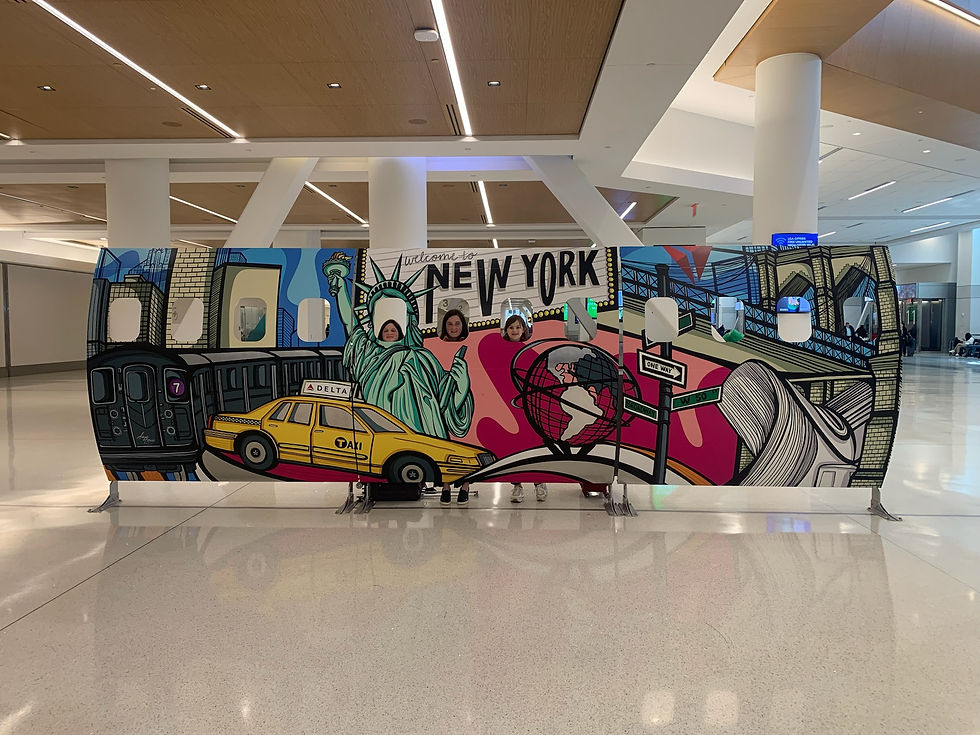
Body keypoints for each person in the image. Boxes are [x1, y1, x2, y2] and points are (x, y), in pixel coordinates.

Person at [502, 313, 546, 502]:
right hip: (509, 402)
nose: (514, 330)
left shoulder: (529, 349)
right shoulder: (501, 348)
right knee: (514, 446)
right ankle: (517, 485)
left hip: (529, 401)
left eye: (518, 327)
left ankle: (540, 481)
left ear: (524, 329)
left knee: (534, 442)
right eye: (511, 327)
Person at [439, 309, 470, 505]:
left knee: (466, 446)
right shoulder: (437, 343)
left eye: (457, 324)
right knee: (442, 444)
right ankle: (445, 486)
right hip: (442, 396)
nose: (453, 328)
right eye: (449, 324)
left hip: (466, 399)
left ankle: (466, 485)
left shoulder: (469, 342)